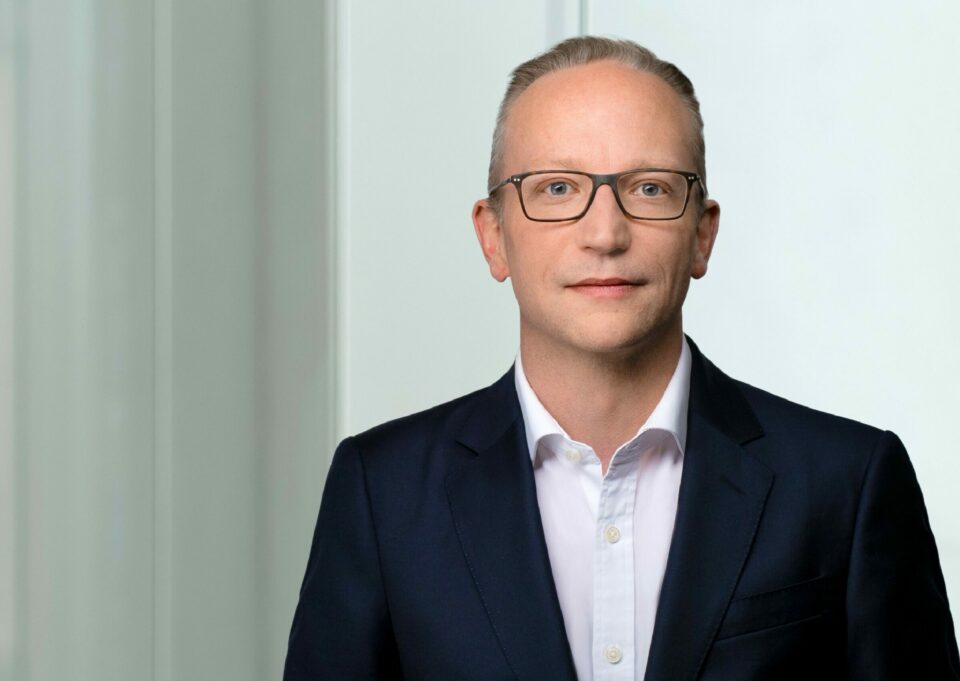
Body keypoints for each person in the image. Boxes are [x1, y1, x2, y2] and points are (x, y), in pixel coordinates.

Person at [284, 36, 960, 680]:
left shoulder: (846, 483)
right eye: (557, 188)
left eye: (649, 188)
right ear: (493, 237)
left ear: (702, 234)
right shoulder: (383, 493)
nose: (605, 234)